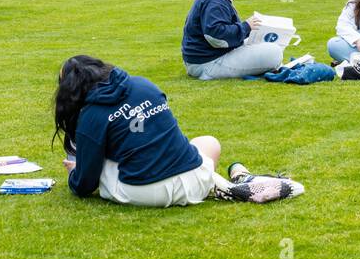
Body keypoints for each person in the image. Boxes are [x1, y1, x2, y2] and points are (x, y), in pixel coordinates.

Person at [55, 55, 302, 205]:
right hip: (193, 179)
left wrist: (76, 173)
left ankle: (225, 186)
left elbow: (84, 185)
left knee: (94, 165)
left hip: (143, 192)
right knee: (209, 142)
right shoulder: (144, 85)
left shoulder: (91, 115)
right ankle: (225, 184)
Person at [181, 0, 284, 79]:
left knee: (262, 43)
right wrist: (246, 27)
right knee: (274, 52)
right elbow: (215, 36)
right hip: (207, 63)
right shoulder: (215, 0)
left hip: (202, 59)